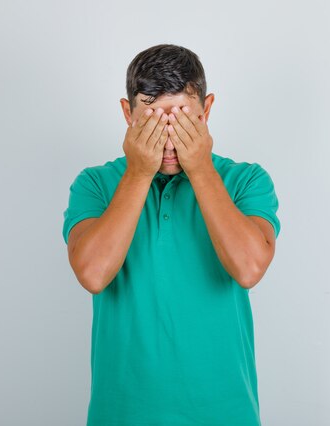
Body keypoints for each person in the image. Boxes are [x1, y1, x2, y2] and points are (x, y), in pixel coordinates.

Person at [62, 43, 281, 426]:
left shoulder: (246, 180)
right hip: (122, 415)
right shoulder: (95, 184)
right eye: (152, 122)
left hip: (226, 414)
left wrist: (200, 169)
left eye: (183, 120)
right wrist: (139, 172)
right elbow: (93, 274)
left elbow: (249, 268)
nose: (169, 139)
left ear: (207, 110)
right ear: (128, 113)